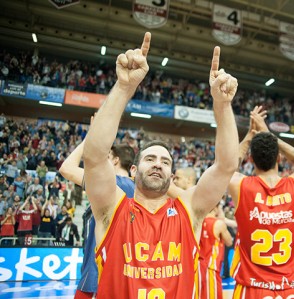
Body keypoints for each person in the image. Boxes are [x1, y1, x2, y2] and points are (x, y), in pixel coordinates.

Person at [82, 32, 239, 298]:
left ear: (172, 174)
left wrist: (222, 106)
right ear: (133, 170)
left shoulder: (190, 210)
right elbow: (95, 157)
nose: (158, 165)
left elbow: (226, 166)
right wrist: (123, 88)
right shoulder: (112, 207)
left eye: (165, 161)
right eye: (150, 159)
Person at [228, 106, 294, 298]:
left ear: (251, 159)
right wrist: (267, 133)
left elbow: (227, 167)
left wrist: (250, 136)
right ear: (279, 158)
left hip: (252, 287)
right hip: (290, 287)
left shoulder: (241, 185)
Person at [59, 140, 135, 299]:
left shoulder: (110, 184)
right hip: (126, 277)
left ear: (115, 160)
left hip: (96, 277)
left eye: (108, 157)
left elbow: (66, 168)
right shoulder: (139, 191)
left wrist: (89, 138)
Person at [171, 167, 233, 299]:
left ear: (189, 180)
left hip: (195, 265)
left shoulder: (194, 202)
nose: (174, 181)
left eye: (177, 178)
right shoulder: (215, 221)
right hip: (185, 264)